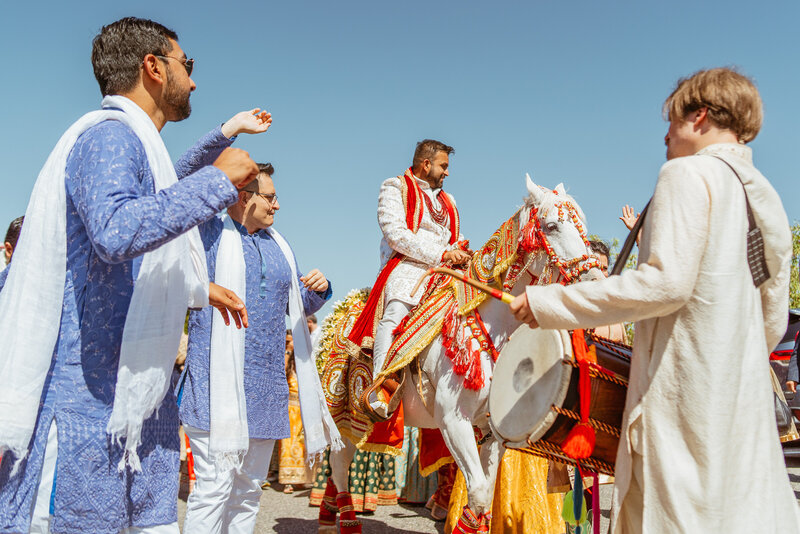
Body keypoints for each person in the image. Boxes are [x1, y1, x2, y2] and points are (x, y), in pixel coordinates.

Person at [0, 17, 269, 533]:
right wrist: (217, 179)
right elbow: (117, 228)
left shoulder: (134, 143)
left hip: (125, 407)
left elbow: (163, 192)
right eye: (186, 64)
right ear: (152, 66)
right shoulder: (109, 138)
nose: (192, 80)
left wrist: (223, 138)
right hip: (84, 405)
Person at [510, 68, 800, 532]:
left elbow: (664, 285)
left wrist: (549, 303)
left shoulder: (686, 173)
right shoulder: (765, 195)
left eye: (671, 121)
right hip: (741, 399)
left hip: (683, 396)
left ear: (699, 116)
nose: (665, 136)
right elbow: (772, 314)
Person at [180, 163, 335, 533]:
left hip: (265, 389)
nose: (277, 205)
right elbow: (181, 280)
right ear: (243, 198)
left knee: (249, 490)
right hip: (215, 386)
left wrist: (320, 288)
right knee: (214, 489)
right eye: (271, 197)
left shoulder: (280, 247)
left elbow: (297, 305)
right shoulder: (209, 235)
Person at [351, 139, 469, 418]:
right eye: (444, 166)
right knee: (395, 315)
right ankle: (380, 388)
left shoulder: (448, 201)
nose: (447, 173)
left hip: (445, 270)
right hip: (407, 265)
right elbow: (396, 234)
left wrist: (463, 251)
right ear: (426, 164)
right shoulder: (395, 187)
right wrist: (443, 254)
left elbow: (455, 237)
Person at [279, 330, 312, 494]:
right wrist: (287, 351)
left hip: (303, 407)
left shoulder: (303, 362)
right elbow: (283, 370)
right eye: (286, 342)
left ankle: (301, 478)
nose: (289, 344)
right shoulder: (286, 361)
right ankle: (288, 480)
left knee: (303, 444)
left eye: (290, 341)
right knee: (289, 444)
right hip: (289, 408)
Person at [587, 239, 628, 343]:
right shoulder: (571, 308)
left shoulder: (615, 313)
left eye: (604, 268)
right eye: (595, 267)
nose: (600, 273)